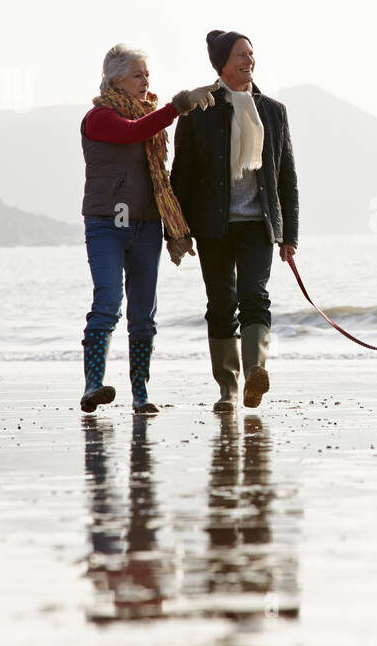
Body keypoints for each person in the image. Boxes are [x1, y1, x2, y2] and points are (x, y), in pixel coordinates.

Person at [170, 30, 299, 411]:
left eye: (252, 54)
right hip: (213, 226)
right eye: (241, 54)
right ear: (222, 63)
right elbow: (182, 175)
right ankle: (227, 387)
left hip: (258, 224)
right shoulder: (200, 110)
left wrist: (288, 233)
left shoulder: (274, 110)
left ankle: (254, 373)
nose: (249, 60)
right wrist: (176, 231)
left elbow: (286, 176)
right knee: (221, 303)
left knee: (255, 297)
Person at [80, 44, 204, 414]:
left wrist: (175, 228)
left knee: (143, 315)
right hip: (107, 223)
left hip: (147, 225)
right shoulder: (99, 116)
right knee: (107, 303)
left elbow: (159, 174)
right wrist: (177, 106)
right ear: (116, 78)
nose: (146, 80)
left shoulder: (150, 115)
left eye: (147, 74)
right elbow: (133, 132)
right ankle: (93, 385)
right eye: (138, 74)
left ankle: (140, 393)